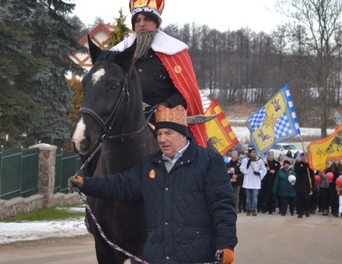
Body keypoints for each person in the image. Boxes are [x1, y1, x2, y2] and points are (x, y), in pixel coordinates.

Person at [69, 104, 237, 264]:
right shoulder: (150, 164)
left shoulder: (209, 162)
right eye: (159, 133)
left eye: (169, 133)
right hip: (158, 257)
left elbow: (223, 207)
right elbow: (121, 184)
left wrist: (226, 244)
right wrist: (86, 184)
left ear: (183, 134)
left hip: (196, 256)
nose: (162, 139)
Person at [110, 0, 208, 147]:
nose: (141, 24)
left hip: (166, 122)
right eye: (137, 20)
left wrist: (165, 105)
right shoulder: (120, 53)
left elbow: (187, 92)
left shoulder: (174, 52)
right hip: (125, 122)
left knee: (205, 160)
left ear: (157, 22)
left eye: (147, 19)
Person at [239, 148, 266, 216]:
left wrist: (259, 173)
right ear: (250, 153)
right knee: (248, 197)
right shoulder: (245, 160)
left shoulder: (259, 161)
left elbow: (264, 169)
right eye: (252, 152)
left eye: (255, 152)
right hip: (248, 181)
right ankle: (248, 209)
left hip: (255, 182)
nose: (254, 153)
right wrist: (247, 165)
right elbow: (242, 169)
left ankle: (254, 209)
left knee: (254, 197)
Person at [293, 152, 315, 218]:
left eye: (305, 156)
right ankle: (300, 213)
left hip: (306, 186)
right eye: (302, 156)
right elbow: (297, 171)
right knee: (299, 200)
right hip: (299, 185)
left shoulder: (309, 165)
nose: (303, 158)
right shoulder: (297, 164)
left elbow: (312, 176)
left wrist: (313, 186)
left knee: (306, 199)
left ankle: (307, 210)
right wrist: (304, 166)